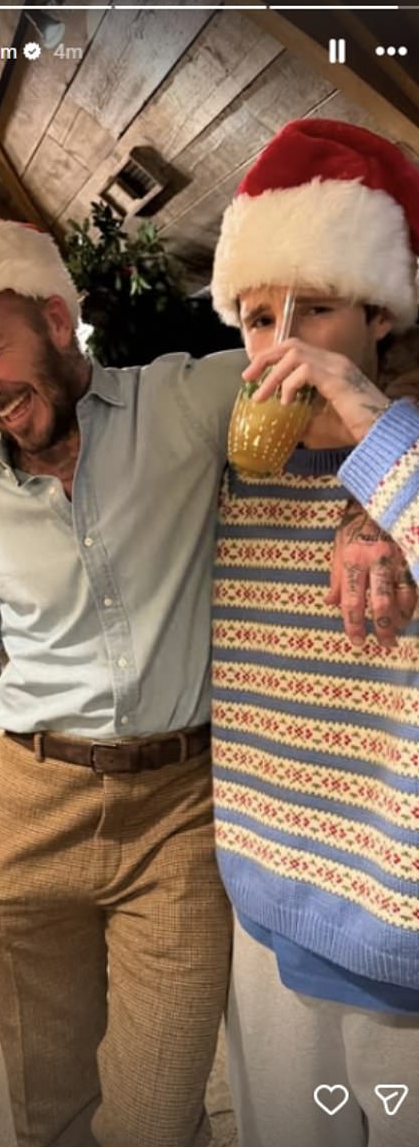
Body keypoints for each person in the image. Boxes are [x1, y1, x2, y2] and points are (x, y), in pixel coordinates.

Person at [0, 213, 247, 1147]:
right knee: (47, 1108)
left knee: (156, 1112)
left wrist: (360, 516)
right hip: (25, 804)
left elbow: (334, 363)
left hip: (178, 817)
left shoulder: (183, 405)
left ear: (58, 322)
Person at [209, 119, 419, 1147]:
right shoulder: (226, 470)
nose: (276, 343)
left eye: (314, 309)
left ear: (379, 314)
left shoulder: (407, 448)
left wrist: (377, 432)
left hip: (401, 938)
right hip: (266, 898)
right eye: (253, 318)